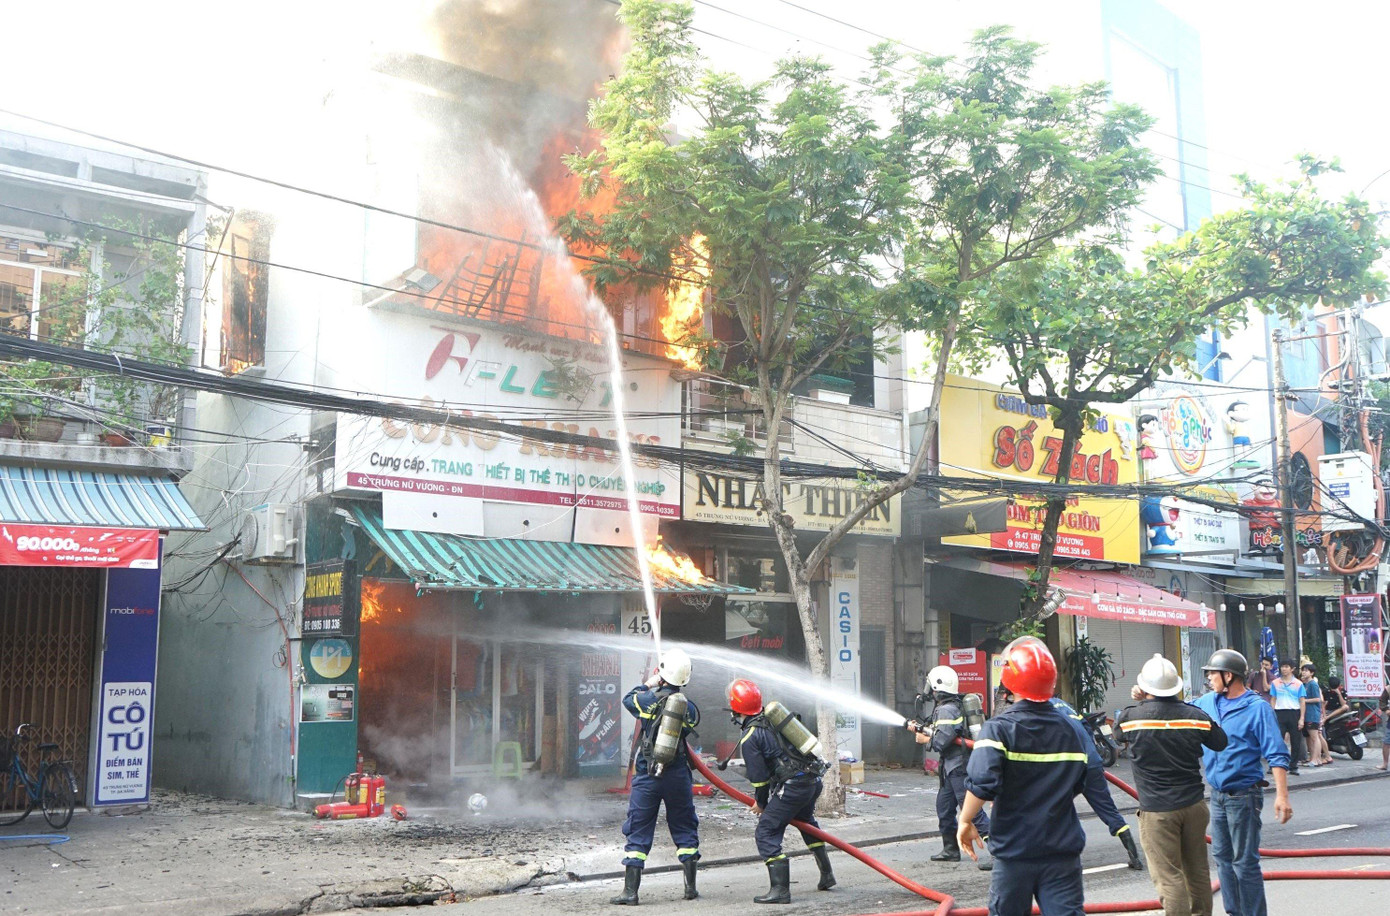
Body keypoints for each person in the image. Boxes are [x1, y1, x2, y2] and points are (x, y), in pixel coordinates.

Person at [959, 637, 1093, 915]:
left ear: (1009, 680)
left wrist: (965, 819)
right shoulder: (1072, 730)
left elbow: (982, 783)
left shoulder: (998, 729)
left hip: (1015, 852)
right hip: (1062, 850)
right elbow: (1080, 781)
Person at [1116, 654, 1228, 916]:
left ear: (1145, 686)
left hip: (1158, 812)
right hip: (1193, 806)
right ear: (1176, 686)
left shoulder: (1132, 717)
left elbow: (1119, 734)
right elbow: (1220, 741)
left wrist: (1141, 701)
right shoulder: (1195, 716)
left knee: (1170, 877)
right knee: (1197, 871)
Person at [1194, 649, 1292, 916]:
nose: (1209, 678)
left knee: (1244, 863)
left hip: (1244, 796)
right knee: (1222, 858)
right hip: (1218, 795)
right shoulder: (1207, 703)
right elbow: (1178, 711)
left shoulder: (1257, 708)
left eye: (1212, 674)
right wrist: (1148, 695)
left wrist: (1282, 796)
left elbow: (1276, 753)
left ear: (1229, 676)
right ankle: (1234, 912)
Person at [727, 678, 836, 905]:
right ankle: (827, 874)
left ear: (736, 709)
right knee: (805, 821)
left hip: (794, 786)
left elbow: (759, 780)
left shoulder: (750, 736)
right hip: (812, 780)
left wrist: (761, 804)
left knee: (766, 832)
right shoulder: (774, 718)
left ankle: (780, 891)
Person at [611, 648, 700, 906]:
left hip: (648, 776)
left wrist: (650, 683)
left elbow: (628, 699)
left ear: (662, 673)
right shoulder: (689, 708)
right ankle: (690, 888)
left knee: (639, 829)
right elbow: (689, 728)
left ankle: (630, 893)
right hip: (678, 776)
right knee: (685, 826)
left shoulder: (647, 700)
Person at [908, 665, 992, 870]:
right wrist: (921, 729)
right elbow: (944, 731)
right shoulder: (950, 706)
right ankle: (951, 850)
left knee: (973, 812)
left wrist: (925, 740)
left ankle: (1000, 853)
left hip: (959, 767)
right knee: (944, 807)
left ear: (937, 687)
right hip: (950, 767)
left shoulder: (946, 709)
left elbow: (941, 741)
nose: (929, 691)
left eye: (931, 686)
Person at [1048, 694, 1143, 870]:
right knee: (1108, 809)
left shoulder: (1039, 708)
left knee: (1053, 809)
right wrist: (1091, 753)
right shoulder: (1064, 705)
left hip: (1070, 765)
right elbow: (1086, 727)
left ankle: (1058, 859)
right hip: (1092, 763)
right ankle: (1135, 858)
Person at [1269, 659, 1304, 775]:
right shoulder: (1275, 683)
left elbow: (1302, 701)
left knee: (1295, 741)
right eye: (1282, 666)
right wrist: (1272, 714)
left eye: (1286, 667)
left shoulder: (1298, 684)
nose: (1283, 669)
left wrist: (1302, 718)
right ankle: (1274, 765)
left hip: (1294, 713)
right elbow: (1273, 699)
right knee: (1277, 741)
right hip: (1280, 713)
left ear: (1292, 669)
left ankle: (1293, 766)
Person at [1300, 664, 1328, 766]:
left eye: (1306, 670)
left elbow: (1318, 699)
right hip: (1306, 714)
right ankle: (1314, 758)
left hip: (1313, 714)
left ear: (1312, 673)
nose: (1304, 672)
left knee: (1314, 737)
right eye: (1303, 670)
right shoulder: (1305, 684)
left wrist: (1304, 701)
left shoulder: (1313, 684)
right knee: (1309, 738)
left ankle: (1316, 759)